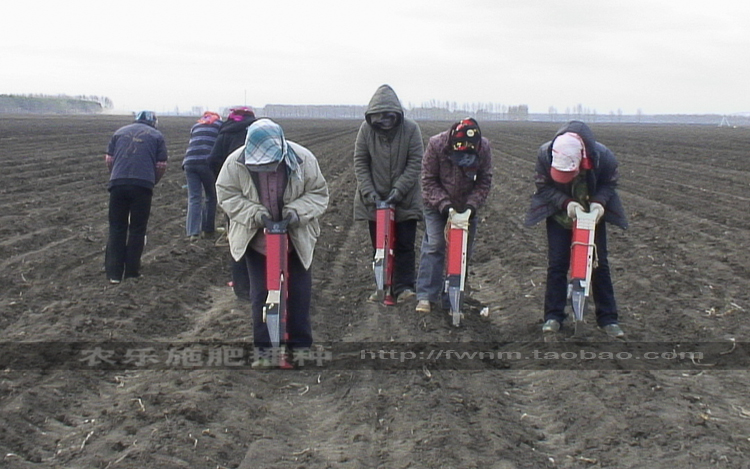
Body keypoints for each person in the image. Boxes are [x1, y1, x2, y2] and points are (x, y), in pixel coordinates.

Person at [216, 119, 328, 367]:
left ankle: (300, 347)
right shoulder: (235, 162)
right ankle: (265, 351)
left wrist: (295, 213)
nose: (265, 168)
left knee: (299, 293)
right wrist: (255, 214)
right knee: (261, 294)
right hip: (257, 239)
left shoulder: (303, 159)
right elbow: (226, 194)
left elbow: (318, 193)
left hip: (296, 238)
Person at [524, 120, 628, 338]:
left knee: (599, 264)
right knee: (558, 264)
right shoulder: (545, 154)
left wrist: (599, 204)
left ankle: (608, 319)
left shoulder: (603, 157)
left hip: (592, 214)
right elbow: (543, 186)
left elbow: (610, 182)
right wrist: (566, 203)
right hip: (560, 214)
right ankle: (553, 316)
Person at [353, 84, 424, 303]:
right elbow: (360, 162)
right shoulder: (366, 131)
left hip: (405, 198)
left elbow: (415, 162)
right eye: (379, 117)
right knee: (379, 246)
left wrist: (399, 190)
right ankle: (382, 285)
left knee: (404, 245)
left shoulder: (411, 129)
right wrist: (370, 192)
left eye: (389, 116)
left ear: (396, 114)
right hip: (374, 200)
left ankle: (404, 287)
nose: (384, 121)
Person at [415, 118, 493, 313]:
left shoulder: (483, 148)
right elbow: (428, 181)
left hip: (466, 205)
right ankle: (426, 296)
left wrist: (470, 207)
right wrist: (446, 207)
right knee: (435, 245)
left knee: (462, 250)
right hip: (436, 204)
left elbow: (484, 180)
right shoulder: (436, 145)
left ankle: (454, 297)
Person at [104, 110, 168, 284]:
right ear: (153, 122)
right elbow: (161, 164)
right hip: (143, 186)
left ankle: (113, 274)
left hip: (117, 184)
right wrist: (152, 181)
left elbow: (109, 160)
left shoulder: (119, 132)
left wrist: (116, 175)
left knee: (117, 228)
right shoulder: (157, 136)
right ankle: (132, 272)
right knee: (137, 229)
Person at [207, 106, 257, 301]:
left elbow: (212, 160)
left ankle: (242, 288)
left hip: (234, 193)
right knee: (260, 235)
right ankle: (261, 282)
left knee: (237, 236)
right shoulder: (255, 132)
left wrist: (223, 178)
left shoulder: (225, 132)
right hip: (256, 190)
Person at [183, 111, 222, 241]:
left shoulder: (196, 126)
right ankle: (208, 230)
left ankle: (193, 232)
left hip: (189, 162)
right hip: (206, 162)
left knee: (194, 197)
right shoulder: (219, 125)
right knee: (211, 196)